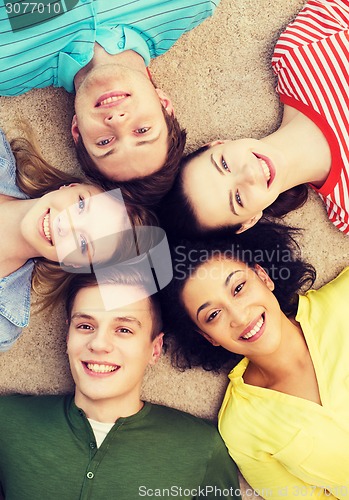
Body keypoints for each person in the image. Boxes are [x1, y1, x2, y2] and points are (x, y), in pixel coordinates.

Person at [0, 267, 241, 500]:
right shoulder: (7, 422)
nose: (99, 343)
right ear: (68, 336)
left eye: (123, 329)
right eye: (85, 326)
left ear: (154, 350)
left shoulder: (202, 449)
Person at [161, 222, 349, 497]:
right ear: (208, 337)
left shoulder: (344, 300)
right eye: (213, 315)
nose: (238, 316)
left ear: (263, 277)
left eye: (238, 288)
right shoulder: (242, 425)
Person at [159, 0, 349, 238]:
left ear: (218, 144)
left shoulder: (297, 54)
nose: (249, 174)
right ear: (248, 221)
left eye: (224, 165)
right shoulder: (345, 213)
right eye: (237, 198)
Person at [0, 0, 221, 203]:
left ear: (77, 131)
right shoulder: (190, 4)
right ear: (164, 104)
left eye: (105, 142)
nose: (116, 120)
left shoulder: (7, 66)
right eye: (142, 130)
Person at [0, 128, 152, 352]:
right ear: (71, 187)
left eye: (83, 244)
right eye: (81, 205)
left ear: (73, 264)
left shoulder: (4, 326)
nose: (65, 224)